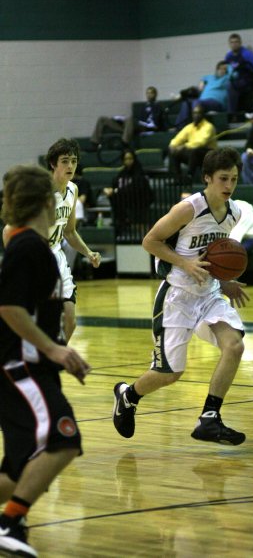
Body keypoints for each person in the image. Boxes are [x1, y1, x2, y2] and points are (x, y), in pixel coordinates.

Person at [112, 147, 249, 446]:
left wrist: (226, 281)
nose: (229, 186)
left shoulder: (234, 212)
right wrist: (185, 263)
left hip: (209, 295)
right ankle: (128, 395)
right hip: (177, 297)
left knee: (234, 346)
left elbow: (214, 256)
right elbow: (150, 241)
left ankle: (209, 418)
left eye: (234, 179)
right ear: (207, 179)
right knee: (169, 373)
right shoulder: (189, 208)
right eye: (223, 179)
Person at [0, 164, 90, 558]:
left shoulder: (29, 243)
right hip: (20, 367)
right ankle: (11, 523)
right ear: (44, 201)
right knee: (63, 438)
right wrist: (54, 349)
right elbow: (9, 308)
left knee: (18, 469)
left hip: (32, 366)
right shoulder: (27, 248)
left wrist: (56, 352)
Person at [4, 139, 102, 341]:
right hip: (35, 259)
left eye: (73, 161)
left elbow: (70, 231)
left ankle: (50, 362)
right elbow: (8, 229)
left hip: (56, 257)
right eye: (65, 161)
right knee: (32, 321)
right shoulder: (41, 192)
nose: (70, 166)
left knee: (70, 321)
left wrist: (88, 252)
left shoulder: (73, 190)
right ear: (53, 164)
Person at [90, 86, 164, 148]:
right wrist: (120, 119)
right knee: (102, 119)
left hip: (144, 127)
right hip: (130, 127)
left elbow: (154, 124)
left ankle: (124, 143)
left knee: (130, 119)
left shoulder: (157, 106)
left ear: (155, 94)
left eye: (151, 93)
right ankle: (94, 143)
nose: (148, 95)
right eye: (147, 93)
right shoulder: (143, 106)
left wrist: (138, 122)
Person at [103, 149, 153, 237]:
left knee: (116, 196)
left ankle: (122, 222)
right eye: (126, 159)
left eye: (130, 158)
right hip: (125, 199)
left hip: (139, 200)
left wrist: (116, 191)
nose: (128, 161)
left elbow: (136, 187)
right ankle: (122, 222)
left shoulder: (139, 171)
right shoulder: (123, 172)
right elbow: (116, 184)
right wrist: (109, 189)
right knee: (114, 197)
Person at [168, 104, 217, 184]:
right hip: (193, 152)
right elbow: (178, 138)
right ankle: (177, 178)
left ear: (203, 114)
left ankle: (189, 177)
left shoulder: (208, 126)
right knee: (173, 152)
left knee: (195, 151)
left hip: (208, 154)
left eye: (198, 113)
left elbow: (201, 142)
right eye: (194, 113)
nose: (196, 115)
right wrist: (172, 145)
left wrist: (184, 146)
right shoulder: (189, 127)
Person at [225, 33, 253, 118]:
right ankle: (232, 115)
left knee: (232, 85)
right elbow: (228, 71)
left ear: (240, 43)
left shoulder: (247, 54)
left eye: (236, 42)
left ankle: (233, 115)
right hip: (236, 81)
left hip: (249, 80)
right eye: (232, 42)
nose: (234, 44)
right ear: (229, 44)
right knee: (228, 84)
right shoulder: (228, 56)